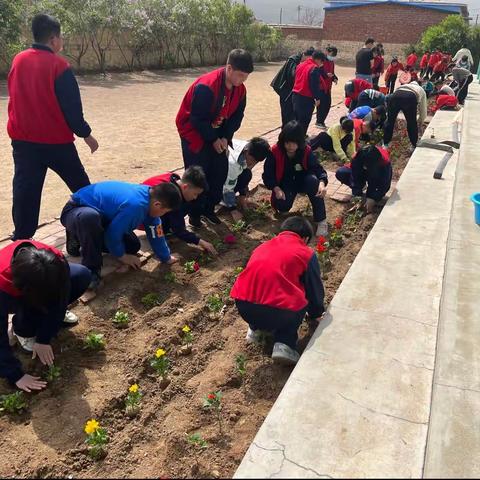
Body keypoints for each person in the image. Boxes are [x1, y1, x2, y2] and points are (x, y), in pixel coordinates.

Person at [7, 13, 99, 242]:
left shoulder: (18, 60)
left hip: (23, 143)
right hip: (56, 144)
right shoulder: (59, 66)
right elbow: (72, 110)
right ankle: (94, 229)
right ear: (54, 39)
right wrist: (86, 135)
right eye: (61, 38)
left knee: (25, 192)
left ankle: (22, 239)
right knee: (82, 187)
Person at [231, 216, 325, 365]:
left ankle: (256, 331)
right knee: (301, 295)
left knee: (264, 290)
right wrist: (316, 313)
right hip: (279, 312)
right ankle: (285, 343)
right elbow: (313, 288)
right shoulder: (305, 253)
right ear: (305, 238)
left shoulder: (262, 247)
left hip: (243, 306)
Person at [176, 49, 253, 227]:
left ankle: (208, 210)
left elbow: (236, 116)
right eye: (240, 75)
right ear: (229, 68)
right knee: (198, 175)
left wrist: (226, 137)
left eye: (245, 77)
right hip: (195, 133)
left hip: (218, 133)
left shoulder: (240, 90)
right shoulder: (207, 86)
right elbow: (197, 119)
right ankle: (194, 216)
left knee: (219, 172)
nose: (242, 81)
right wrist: (213, 139)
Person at [0, 240, 91, 392]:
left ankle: (46, 316)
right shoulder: (4, 284)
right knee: (31, 310)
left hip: (38, 287)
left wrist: (44, 339)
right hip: (12, 295)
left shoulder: (55, 261)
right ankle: (22, 331)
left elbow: (62, 294)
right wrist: (16, 375)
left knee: (81, 275)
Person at [60, 181, 182, 289]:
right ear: (157, 205)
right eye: (164, 211)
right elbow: (112, 235)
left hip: (103, 217)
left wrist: (166, 257)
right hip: (77, 210)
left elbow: (156, 230)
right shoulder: (136, 205)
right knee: (90, 219)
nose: (162, 215)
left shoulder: (151, 198)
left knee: (132, 245)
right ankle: (91, 269)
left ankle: (83, 236)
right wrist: (123, 257)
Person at [263, 121, 329, 237]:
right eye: (288, 143)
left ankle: (321, 221)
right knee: (282, 205)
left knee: (313, 181)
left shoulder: (306, 151)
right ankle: (284, 204)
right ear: (283, 141)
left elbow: (318, 169)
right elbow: (268, 174)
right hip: (286, 184)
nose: (291, 147)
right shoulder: (275, 152)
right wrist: (276, 188)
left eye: (295, 144)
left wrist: (322, 182)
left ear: (300, 142)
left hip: (304, 181)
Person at [141, 166, 217, 256]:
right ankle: (163, 230)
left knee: (184, 206)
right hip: (143, 218)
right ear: (185, 187)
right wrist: (201, 242)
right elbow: (179, 230)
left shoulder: (175, 179)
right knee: (175, 216)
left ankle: (166, 228)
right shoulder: (171, 196)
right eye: (195, 194)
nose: (195, 197)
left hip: (150, 206)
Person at [335, 144, 392, 213]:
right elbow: (354, 176)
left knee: (375, 181)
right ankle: (362, 186)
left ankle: (370, 196)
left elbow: (385, 185)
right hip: (364, 170)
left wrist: (373, 198)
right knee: (341, 173)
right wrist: (357, 195)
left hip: (377, 172)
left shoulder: (384, 163)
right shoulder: (358, 157)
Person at [222, 137, 271, 215]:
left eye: (256, 161)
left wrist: (243, 195)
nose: (253, 164)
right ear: (246, 152)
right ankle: (222, 200)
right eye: (252, 160)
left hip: (228, 172)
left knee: (247, 174)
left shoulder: (249, 147)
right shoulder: (233, 164)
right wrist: (233, 209)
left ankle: (238, 199)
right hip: (214, 176)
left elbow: (244, 172)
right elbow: (227, 188)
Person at [271, 47, 314, 127]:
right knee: (287, 114)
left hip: (293, 91)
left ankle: (295, 132)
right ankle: (285, 134)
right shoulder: (293, 60)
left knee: (294, 114)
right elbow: (292, 75)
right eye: (309, 59)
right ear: (305, 55)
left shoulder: (301, 61)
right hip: (285, 90)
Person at [292, 50, 328, 135]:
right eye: (322, 62)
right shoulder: (314, 68)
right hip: (305, 98)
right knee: (304, 121)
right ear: (319, 60)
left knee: (296, 120)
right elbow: (314, 85)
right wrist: (317, 98)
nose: (321, 64)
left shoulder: (300, 65)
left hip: (295, 96)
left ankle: (294, 137)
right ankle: (300, 139)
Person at [383, 81, 427, 148]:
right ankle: (414, 145)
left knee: (390, 121)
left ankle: (385, 144)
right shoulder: (421, 89)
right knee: (411, 123)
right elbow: (423, 108)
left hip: (395, 96)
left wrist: (393, 117)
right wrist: (421, 120)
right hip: (410, 97)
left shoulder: (404, 86)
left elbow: (395, 98)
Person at [315, 46, 338, 129]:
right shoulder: (321, 60)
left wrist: (334, 78)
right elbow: (318, 72)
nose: (332, 56)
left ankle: (321, 121)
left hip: (328, 87)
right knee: (321, 105)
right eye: (332, 54)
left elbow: (332, 73)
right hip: (321, 87)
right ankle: (319, 122)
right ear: (327, 52)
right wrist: (326, 75)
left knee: (327, 105)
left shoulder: (331, 62)